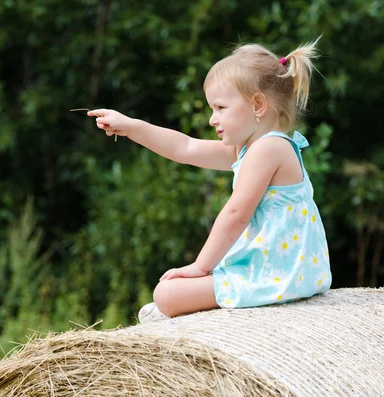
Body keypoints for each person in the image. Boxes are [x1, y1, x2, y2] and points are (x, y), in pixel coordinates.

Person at [87, 38, 332, 323]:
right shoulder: (250, 148)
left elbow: (237, 213)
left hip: (280, 275)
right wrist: (131, 126)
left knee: (166, 294)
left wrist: (200, 267)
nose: (212, 119)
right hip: (275, 268)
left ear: (258, 105)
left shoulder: (270, 148)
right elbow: (186, 148)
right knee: (168, 292)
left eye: (220, 108)